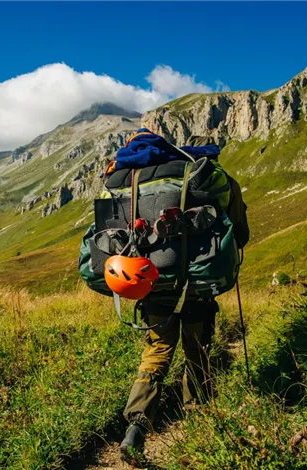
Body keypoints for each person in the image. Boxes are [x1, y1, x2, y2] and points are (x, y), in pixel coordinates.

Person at [118, 136, 249, 458]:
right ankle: (199, 422)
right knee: (198, 350)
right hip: (196, 283)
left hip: (151, 281)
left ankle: (136, 424)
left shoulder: (139, 181)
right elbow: (241, 234)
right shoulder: (215, 178)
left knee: (157, 351)